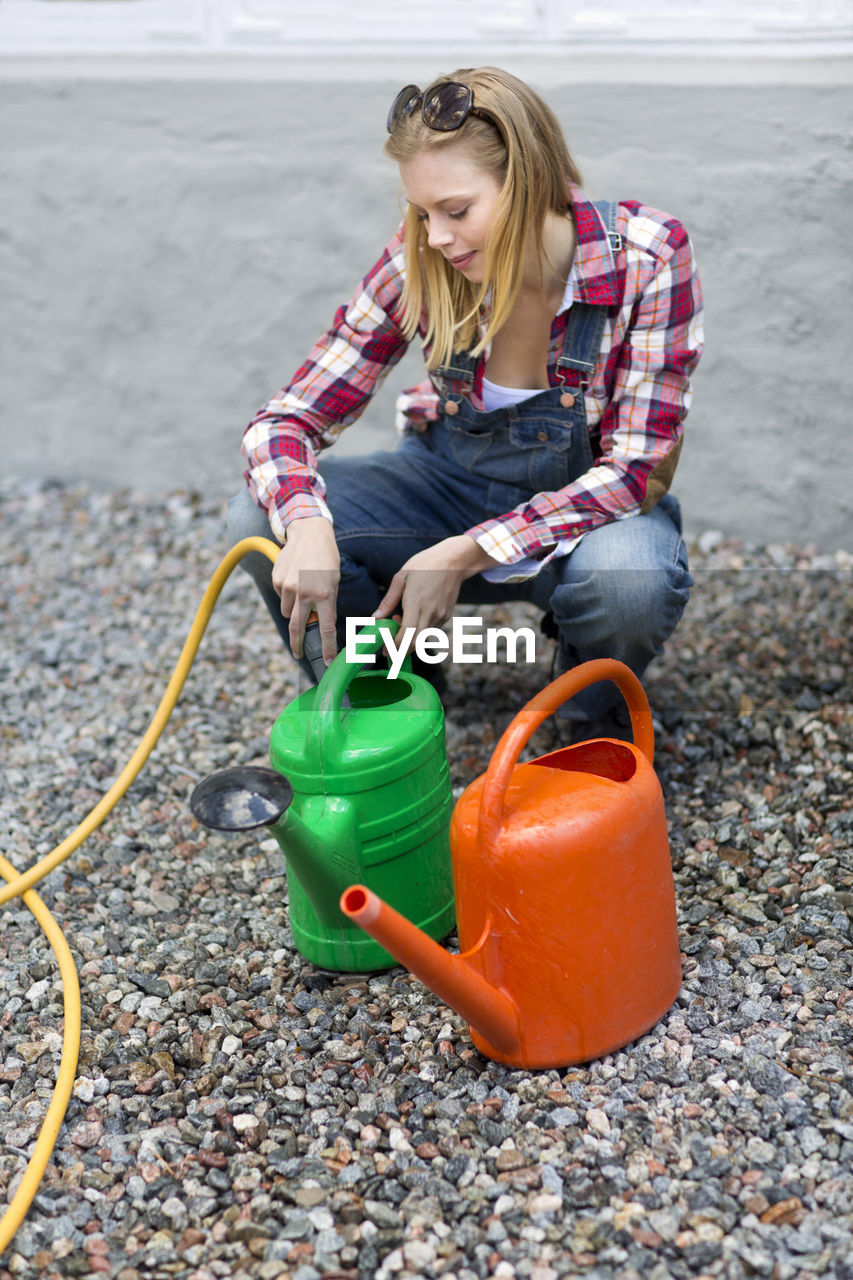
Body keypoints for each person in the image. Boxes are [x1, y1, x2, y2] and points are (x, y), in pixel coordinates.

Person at [228, 66, 704, 736]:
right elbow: (285, 420)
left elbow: (630, 474)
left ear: (531, 178)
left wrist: (465, 551)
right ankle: (392, 703)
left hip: (584, 517)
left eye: (456, 211)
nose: (436, 237)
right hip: (442, 486)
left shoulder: (647, 258)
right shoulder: (421, 262)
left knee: (628, 582)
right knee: (258, 517)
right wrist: (305, 522)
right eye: (421, 214)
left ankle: (588, 728)